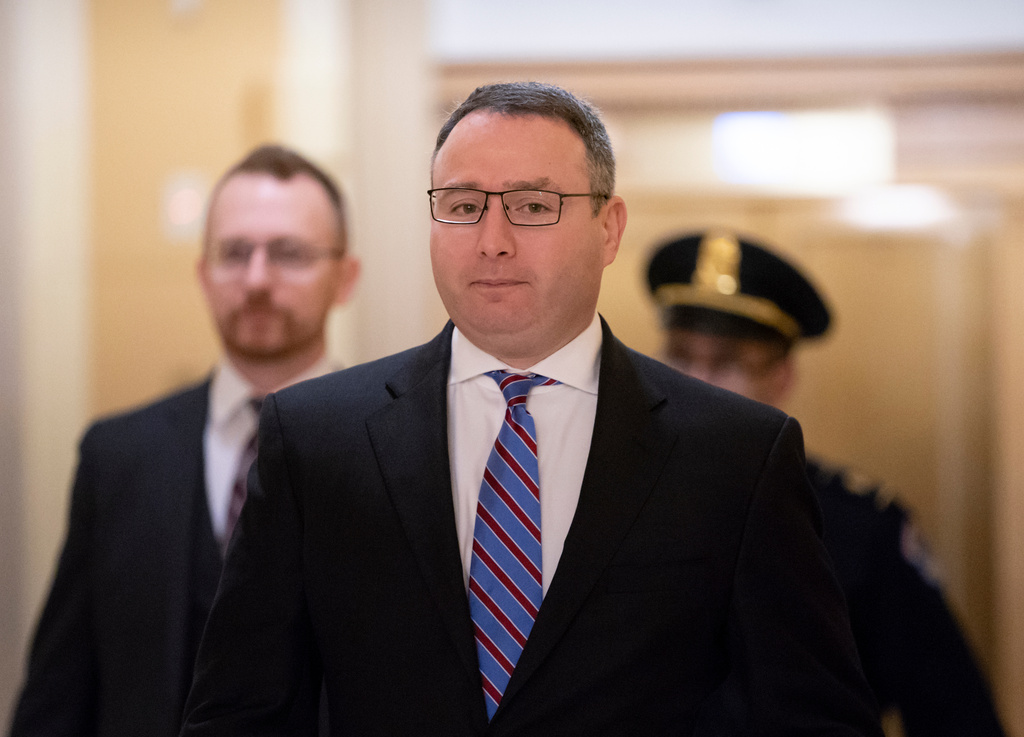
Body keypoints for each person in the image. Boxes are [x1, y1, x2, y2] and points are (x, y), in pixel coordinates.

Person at [180, 82, 883, 736]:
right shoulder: (314, 439)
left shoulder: (736, 456)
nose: (492, 238)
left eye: (533, 205)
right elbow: (242, 712)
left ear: (609, 228)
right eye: (462, 205)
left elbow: (815, 718)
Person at [8, 144, 360, 737]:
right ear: (202, 273)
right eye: (233, 253)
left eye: (289, 253)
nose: (256, 279)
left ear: (344, 277)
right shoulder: (117, 458)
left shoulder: (396, 453)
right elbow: (59, 693)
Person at [646, 229, 1006, 737]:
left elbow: (954, 711)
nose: (696, 384)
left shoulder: (858, 526)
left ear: (783, 376)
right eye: (680, 357)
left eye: (727, 363)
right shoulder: (611, 502)